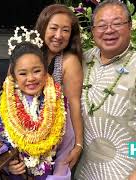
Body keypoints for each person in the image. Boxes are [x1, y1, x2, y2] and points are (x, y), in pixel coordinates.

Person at [74, 0, 136, 180]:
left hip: (124, 172)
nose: (109, 30)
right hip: (83, 171)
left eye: (117, 23)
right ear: (93, 31)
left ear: (129, 27)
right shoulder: (83, 60)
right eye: (102, 25)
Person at [0, 28, 75, 179]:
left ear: (45, 70)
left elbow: (66, 147)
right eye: (23, 73)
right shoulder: (4, 105)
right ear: (14, 76)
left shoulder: (58, 102)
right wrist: (8, 164)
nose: (30, 78)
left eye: (36, 71)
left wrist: (56, 177)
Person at [35, 4, 84, 168]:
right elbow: (9, 90)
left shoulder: (69, 61)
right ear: (42, 28)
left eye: (65, 30)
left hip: (56, 138)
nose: (58, 35)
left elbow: (74, 103)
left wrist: (78, 145)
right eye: (53, 28)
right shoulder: (28, 52)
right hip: (24, 130)